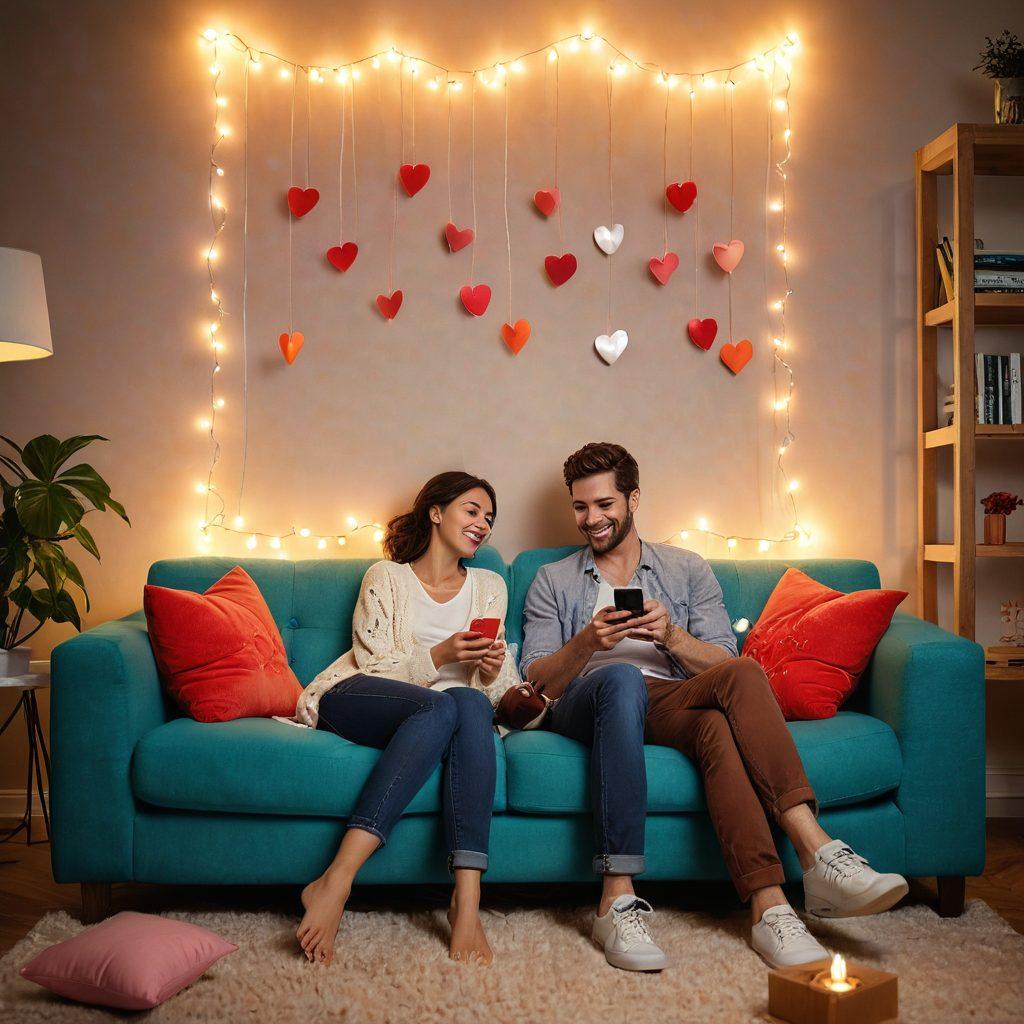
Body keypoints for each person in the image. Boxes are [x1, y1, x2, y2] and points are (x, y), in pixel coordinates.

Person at [520, 443, 908, 971]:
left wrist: (672, 637)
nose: (592, 519)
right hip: (591, 701)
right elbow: (537, 681)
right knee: (619, 681)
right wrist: (588, 642)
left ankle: (776, 900)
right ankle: (615, 898)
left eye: (605, 504)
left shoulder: (685, 569)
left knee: (726, 708)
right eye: (581, 507)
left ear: (633, 498)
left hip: (666, 698)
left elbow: (725, 660)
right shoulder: (554, 579)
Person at [293, 471, 520, 967]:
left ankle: (466, 900)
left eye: (489, 518)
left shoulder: (489, 586)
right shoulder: (386, 576)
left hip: (444, 712)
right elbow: (372, 666)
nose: (483, 524)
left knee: (470, 705)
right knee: (441, 703)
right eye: (472, 510)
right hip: (357, 696)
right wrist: (440, 654)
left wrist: (490, 671)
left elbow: (491, 691)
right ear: (436, 512)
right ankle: (336, 880)